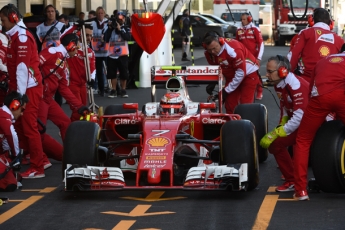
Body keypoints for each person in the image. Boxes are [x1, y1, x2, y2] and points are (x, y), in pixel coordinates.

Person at [293, 45, 345, 201]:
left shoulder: (324, 60)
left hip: (319, 98)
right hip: (342, 96)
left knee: (303, 140)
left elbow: (310, 89)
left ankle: (301, 191)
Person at [0, 4, 45, 179]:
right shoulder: (14, 36)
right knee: (19, 126)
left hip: (28, 90)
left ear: (13, 18)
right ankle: (35, 157)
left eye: (3, 20)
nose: (2, 24)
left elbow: (21, 68)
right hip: (22, 87)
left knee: (29, 127)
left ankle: (38, 167)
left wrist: (18, 97)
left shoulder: (22, 38)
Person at [259, 55, 309, 193]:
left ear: (283, 71)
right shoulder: (280, 84)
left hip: (312, 124)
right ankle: (292, 179)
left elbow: (300, 116)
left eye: (270, 71)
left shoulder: (296, 85)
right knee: (276, 144)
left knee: (284, 144)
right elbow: (287, 108)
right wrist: (281, 125)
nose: (266, 74)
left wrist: (277, 132)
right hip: (302, 122)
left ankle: (297, 183)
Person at [38, 33, 90, 140]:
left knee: (66, 123)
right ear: (71, 46)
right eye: (77, 48)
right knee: (40, 129)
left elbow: (64, 89)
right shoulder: (52, 51)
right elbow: (33, 66)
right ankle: (31, 155)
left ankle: (69, 154)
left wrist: (79, 106)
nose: (76, 52)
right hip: (39, 97)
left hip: (48, 100)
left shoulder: (64, 64)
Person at [203, 32, 260, 114]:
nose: (212, 52)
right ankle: (231, 124)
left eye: (215, 48)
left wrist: (226, 90)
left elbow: (241, 73)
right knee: (229, 104)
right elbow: (215, 68)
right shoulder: (208, 53)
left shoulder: (233, 51)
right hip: (232, 75)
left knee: (245, 106)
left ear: (220, 42)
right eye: (210, 49)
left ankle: (245, 125)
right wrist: (213, 81)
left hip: (248, 74)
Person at [287, 8, 344, 83]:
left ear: (312, 20)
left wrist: (287, 75)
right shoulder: (339, 40)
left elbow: (293, 56)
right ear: (331, 23)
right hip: (328, 83)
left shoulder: (305, 33)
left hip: (305, 81)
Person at [36, 5, 66, 106]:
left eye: (52, 11)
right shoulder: (39, 28)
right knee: (46, 80)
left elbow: (64, 41)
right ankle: (45, 103)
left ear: (55, 12)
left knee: (58, 80)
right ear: (45, 13)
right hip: (45, 58)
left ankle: (58, 104)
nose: (50, 13)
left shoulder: (61, 26)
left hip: (58, 58)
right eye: (48, 11)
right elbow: (38, 43)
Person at [67, 24, 96, 121]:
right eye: (86, 35)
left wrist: (92, 78)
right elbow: (63, 36)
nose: (88, 38)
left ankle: (80, 130)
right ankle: (69, 130)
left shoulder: (90, 51)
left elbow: (93, 68)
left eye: (90, 35)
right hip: (71, 84)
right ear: (80, 34)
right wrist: (75, 27)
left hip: (83, 84)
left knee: (84, 109)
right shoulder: (71, 48)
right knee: (78, 109)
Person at [0, 91, 28, 191]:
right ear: (14, 105)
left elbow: (6, 143)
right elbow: (11, 135)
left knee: (15, 178)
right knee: (10, 183)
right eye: (22, 109)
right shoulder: (3, 117)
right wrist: (16, 156)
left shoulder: (3, 115)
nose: (22, 113)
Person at [236, 13, 264, 100]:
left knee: (255, 74)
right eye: (241, 19)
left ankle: (259, 90)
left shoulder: (255, 29)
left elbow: (261, 44)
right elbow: (236, 44)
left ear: (249, 19)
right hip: (243, 57)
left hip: (254, 57)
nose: (242, 21)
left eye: (244, 19)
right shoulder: (238, 30)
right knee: (243, 74)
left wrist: (259, 57)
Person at [105, 13, 130, 98]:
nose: (120, 20)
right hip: (112, 54)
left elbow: (128, 37)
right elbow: (105, 39)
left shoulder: (126, 28)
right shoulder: (111, 28)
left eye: (122, 18)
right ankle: (114, 90)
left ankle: (123, 90)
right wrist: (109, 28)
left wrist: (120, 30)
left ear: (124, 19)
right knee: (112, 74)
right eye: (119, 19)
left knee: (124, 73)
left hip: (123, 54)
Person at [89, 6, 109, 97]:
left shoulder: (108, 23)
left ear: (104, 14)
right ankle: (101, 89)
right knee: (98, 71)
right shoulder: (92, 23)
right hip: (96, 51)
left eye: (102, 13)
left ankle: (113, 88)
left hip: (107, 50)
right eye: (98, 13)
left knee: (110, 70)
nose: (100, 15)